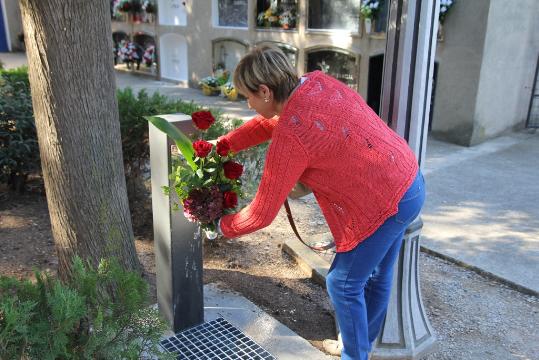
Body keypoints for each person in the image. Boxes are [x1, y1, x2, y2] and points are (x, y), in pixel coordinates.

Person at [216, 46, 425, 360]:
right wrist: (223, 146)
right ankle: (359, 346)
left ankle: (355, 355)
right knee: (378, 275)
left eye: (248, 96)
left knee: (342, 283)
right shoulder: (317, 84)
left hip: (384, 205)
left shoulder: (292, 133)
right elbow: (268, 124)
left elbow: (261, 214)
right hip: (410, 181)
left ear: (265, 91)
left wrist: (220, 225)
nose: (248, 104)